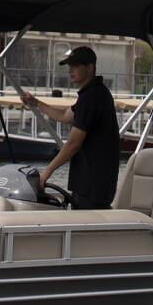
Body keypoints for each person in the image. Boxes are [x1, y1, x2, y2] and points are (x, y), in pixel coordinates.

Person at [21, 46, 119, 209]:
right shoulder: (93, 93)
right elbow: (66, 116)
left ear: (90, 68)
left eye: (75, 66)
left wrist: (46, 173)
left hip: (92, 185)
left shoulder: (92, 97)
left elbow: (73, 144)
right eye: (69, 66)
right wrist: (36, 103)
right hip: (91, 184)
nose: (70, 71)